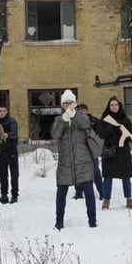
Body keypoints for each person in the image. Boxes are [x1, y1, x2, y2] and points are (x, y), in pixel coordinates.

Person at [51, 90, 97, 229]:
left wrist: (74, 115)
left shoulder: (81, 116)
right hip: (65, 161)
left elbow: (85, 125)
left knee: (89, 191)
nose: (68, 105)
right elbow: (55, 135)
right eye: (65, 103)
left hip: (83, 161)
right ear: (62, 105)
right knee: (61, 192)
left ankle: (92, 220)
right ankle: (59, 220)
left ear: (74, 103)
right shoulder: (59, 119)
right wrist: (63, 120)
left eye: (70, 102)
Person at [98, 96, 132, 210]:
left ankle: (129, 200)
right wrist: (111, 127)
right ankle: (106, 201)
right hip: (110, 152)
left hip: (123, 152)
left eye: (116, 105)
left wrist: (123, 131)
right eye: (112, 105)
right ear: (108, 107)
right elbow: (101, 134)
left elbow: (130, 136)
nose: (114, 107)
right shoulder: (104, 119)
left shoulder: (125, 119)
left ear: (119, 106)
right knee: (108, 177)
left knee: (126, 177)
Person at [73, 103, 104, 201]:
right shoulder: (75, 122)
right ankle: (79, 193)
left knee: (95, 171)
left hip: (91, 151)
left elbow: (101, 132)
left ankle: (102, 192)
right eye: (80, 110)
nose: (82, 112)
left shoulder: (94, 121)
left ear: (87, 110)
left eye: (84, 110)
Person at [0, 105, 20, 204]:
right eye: (0, 111)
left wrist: (7, 134)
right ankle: (4, 194)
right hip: (2, 149)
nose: (2, 112)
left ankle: (14, 194)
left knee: (14, 173)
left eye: (4, 111)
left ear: (7, 111)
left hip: (11, 149)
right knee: (3, 174)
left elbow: (14, 133)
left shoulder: (11, 121)